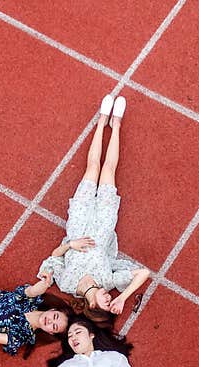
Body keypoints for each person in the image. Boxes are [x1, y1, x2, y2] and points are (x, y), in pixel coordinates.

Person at [38, 94, 150, 324]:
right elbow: (143, 273)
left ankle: (101, 121)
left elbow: (53, 258)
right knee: (109, 169)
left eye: (106, 302)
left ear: (92, 305)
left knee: (91, 167)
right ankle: (116, 124)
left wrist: (71, 245)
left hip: (78, 222)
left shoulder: (68, 284)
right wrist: (123, 299)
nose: (109, 298)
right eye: (111, 301)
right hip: (104, 223)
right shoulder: (108, 281)